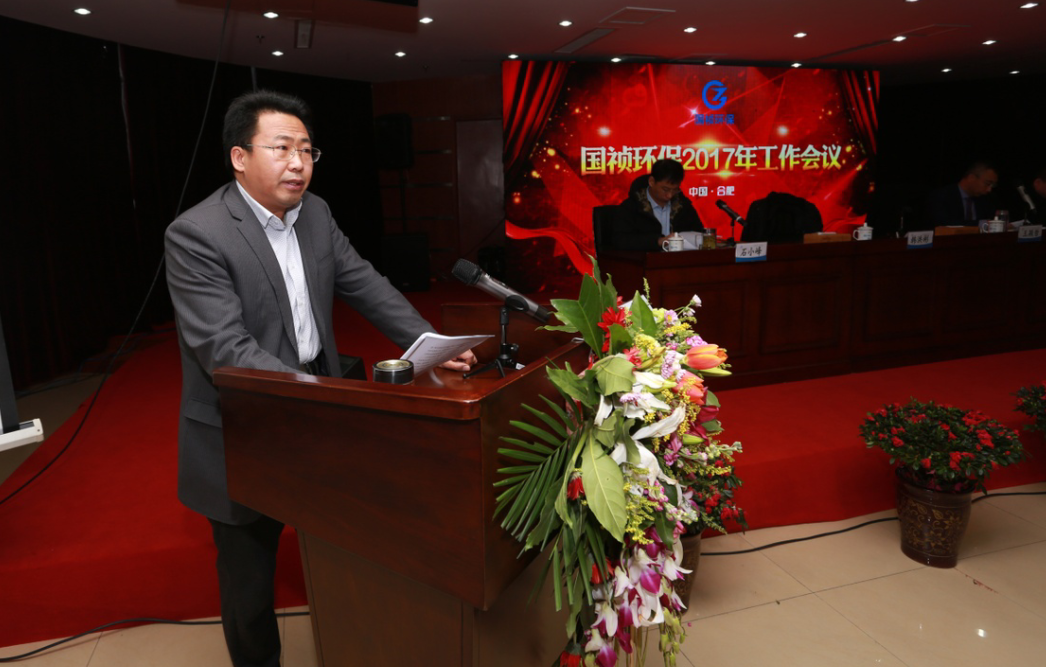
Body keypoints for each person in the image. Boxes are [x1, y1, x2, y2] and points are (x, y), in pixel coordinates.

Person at [164, 90, 475, 667]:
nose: (298, 163)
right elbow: (225, 348)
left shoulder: (317, 213)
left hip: (320, 407)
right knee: (250, 579)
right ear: (239, 157)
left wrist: (428, 344)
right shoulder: (197, 233)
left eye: (307, 150)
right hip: (245, 422)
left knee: (343, 546)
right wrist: (318, 395)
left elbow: (366, 283)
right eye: (281, 148)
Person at [609, 158, 704, 251]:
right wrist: (657, 241)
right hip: (645, 259)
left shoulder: (683, 206)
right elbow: (620, 240)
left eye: (675, 190)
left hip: (679, 259)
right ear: (652, 182)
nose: (670, 195)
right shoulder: (631, 206)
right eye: (665, 189)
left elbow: (698, 232)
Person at [924, 161, 999, 227]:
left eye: (992, 185)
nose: (989, 189)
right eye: (987, 184)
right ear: (971, 178)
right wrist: (981, 224)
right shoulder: (942, 196)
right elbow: (943, 224)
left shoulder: (986, 199)